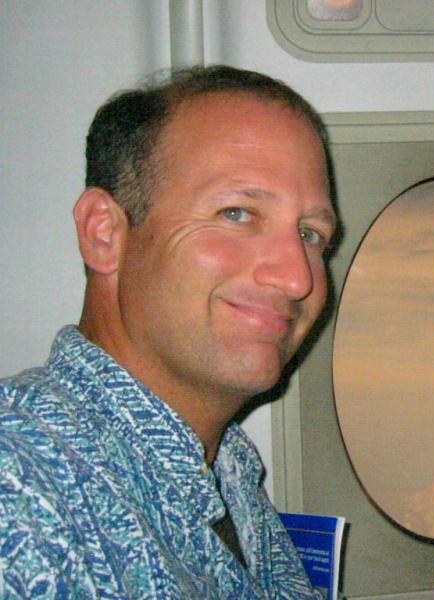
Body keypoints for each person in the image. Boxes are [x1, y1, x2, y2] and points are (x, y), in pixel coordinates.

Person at [0, 65, 338, 598]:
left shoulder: (228, 469)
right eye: (237, 213)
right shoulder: (20, 492)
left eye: (311, 234)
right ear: (105, 234)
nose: (298, 278)